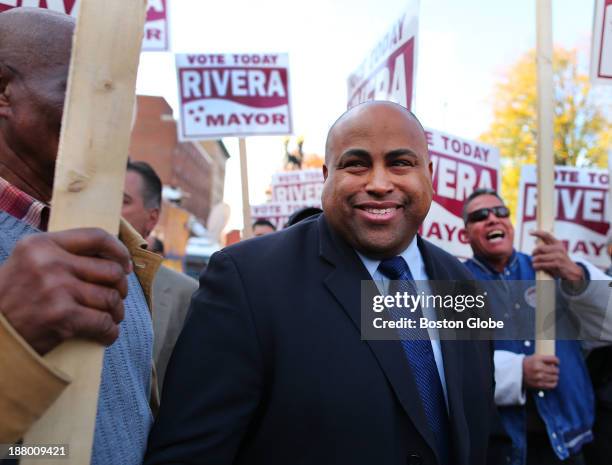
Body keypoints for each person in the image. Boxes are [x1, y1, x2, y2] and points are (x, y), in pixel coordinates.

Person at [144, 101, 503, 465]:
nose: (379, 183)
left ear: (429, 173)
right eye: (356, 164)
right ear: (327, 174)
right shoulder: (246, 280)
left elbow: (483, 429)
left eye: (400, 163)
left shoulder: (463, 284)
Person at [0, 8, 161, 465]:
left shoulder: (121, 249)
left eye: (115, 97)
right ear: (2, 93)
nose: (111, 118)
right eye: (82, 91)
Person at [462, 188, 610, 465]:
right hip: (503, 448)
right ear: (465, 234)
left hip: (570, 444)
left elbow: (608, 326)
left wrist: (578, 277)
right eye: (480, 216)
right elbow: (453, 364)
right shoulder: (457, 283)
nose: (493, 218)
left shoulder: (553, 269)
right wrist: (515, 372)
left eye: (501, 212)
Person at [122, 160, 198, 392]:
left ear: (152, 218)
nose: (106, 206)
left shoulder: (185, 294)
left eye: (123, 201)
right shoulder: (53, 263)